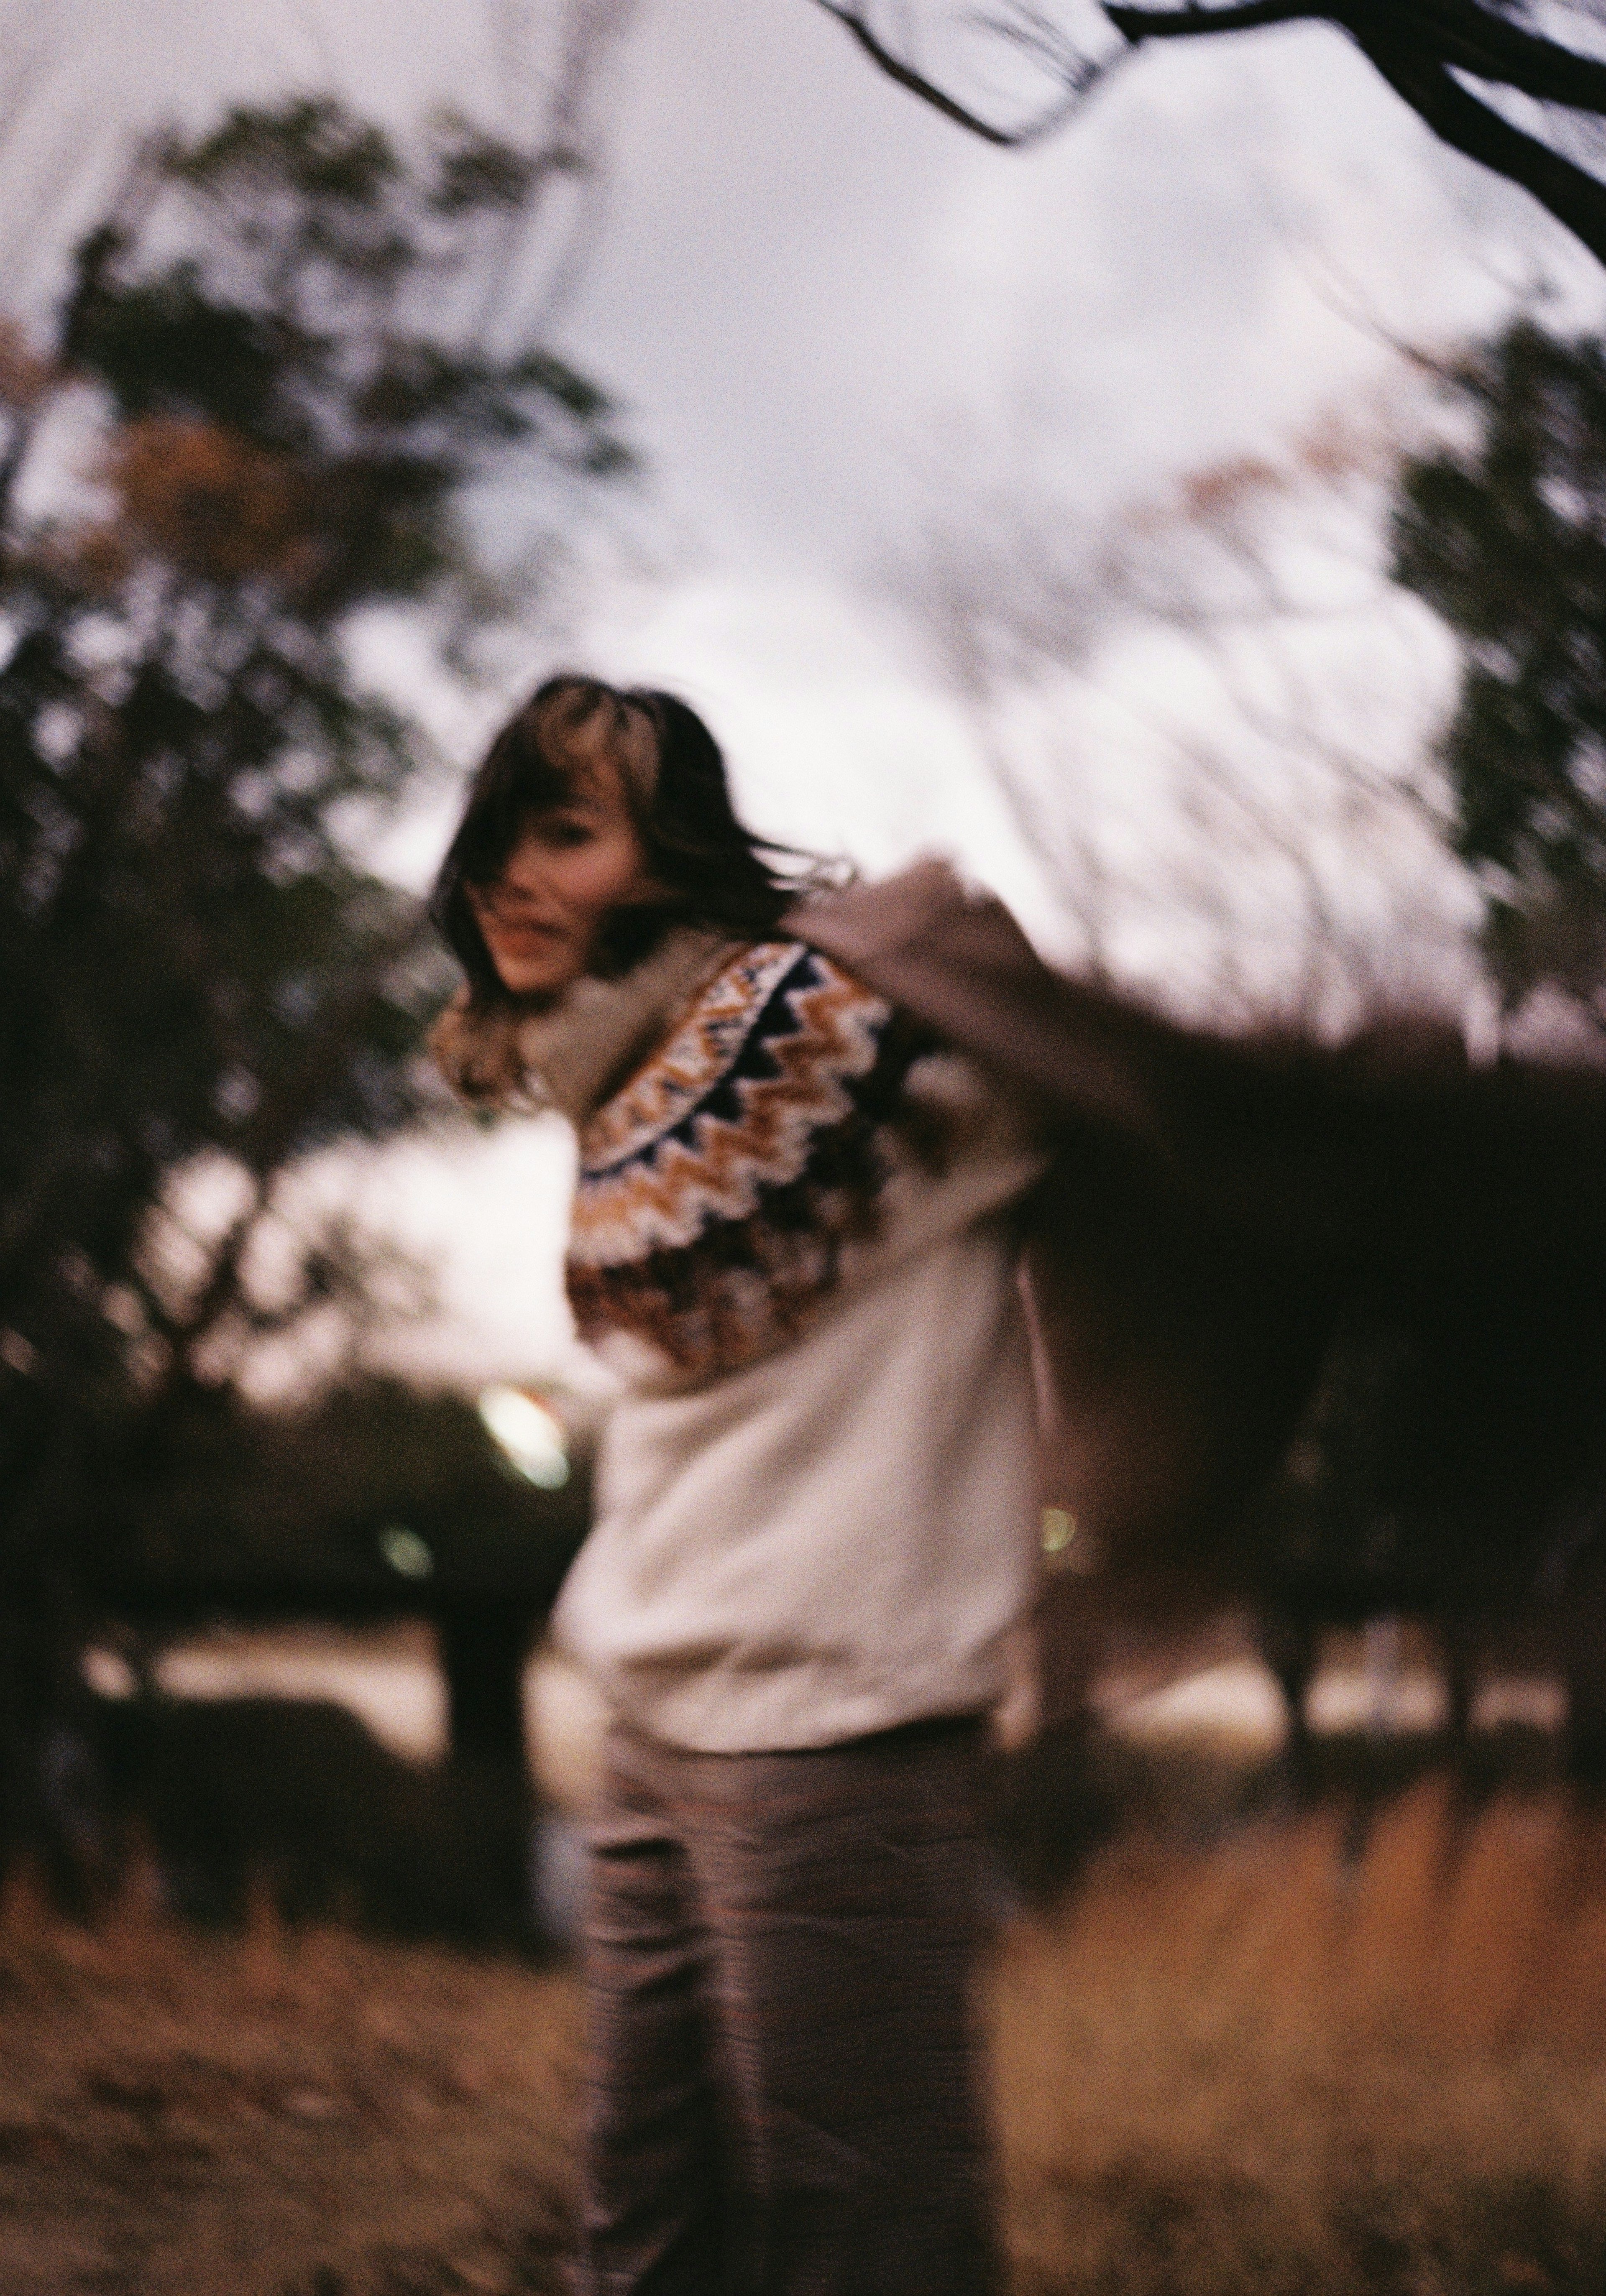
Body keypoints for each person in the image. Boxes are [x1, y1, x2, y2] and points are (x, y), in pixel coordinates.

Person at [430, 674, 1051, 2294]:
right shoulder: (623, 1085)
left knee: (870, 2243)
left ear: (675, 853)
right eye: (498, 831)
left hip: (838, 1729)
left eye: (563, 830)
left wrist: (918, 926)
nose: (508, 872)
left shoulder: (848, 1027)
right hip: (651, 1723)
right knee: (644, 2233)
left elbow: (1064, 1073)